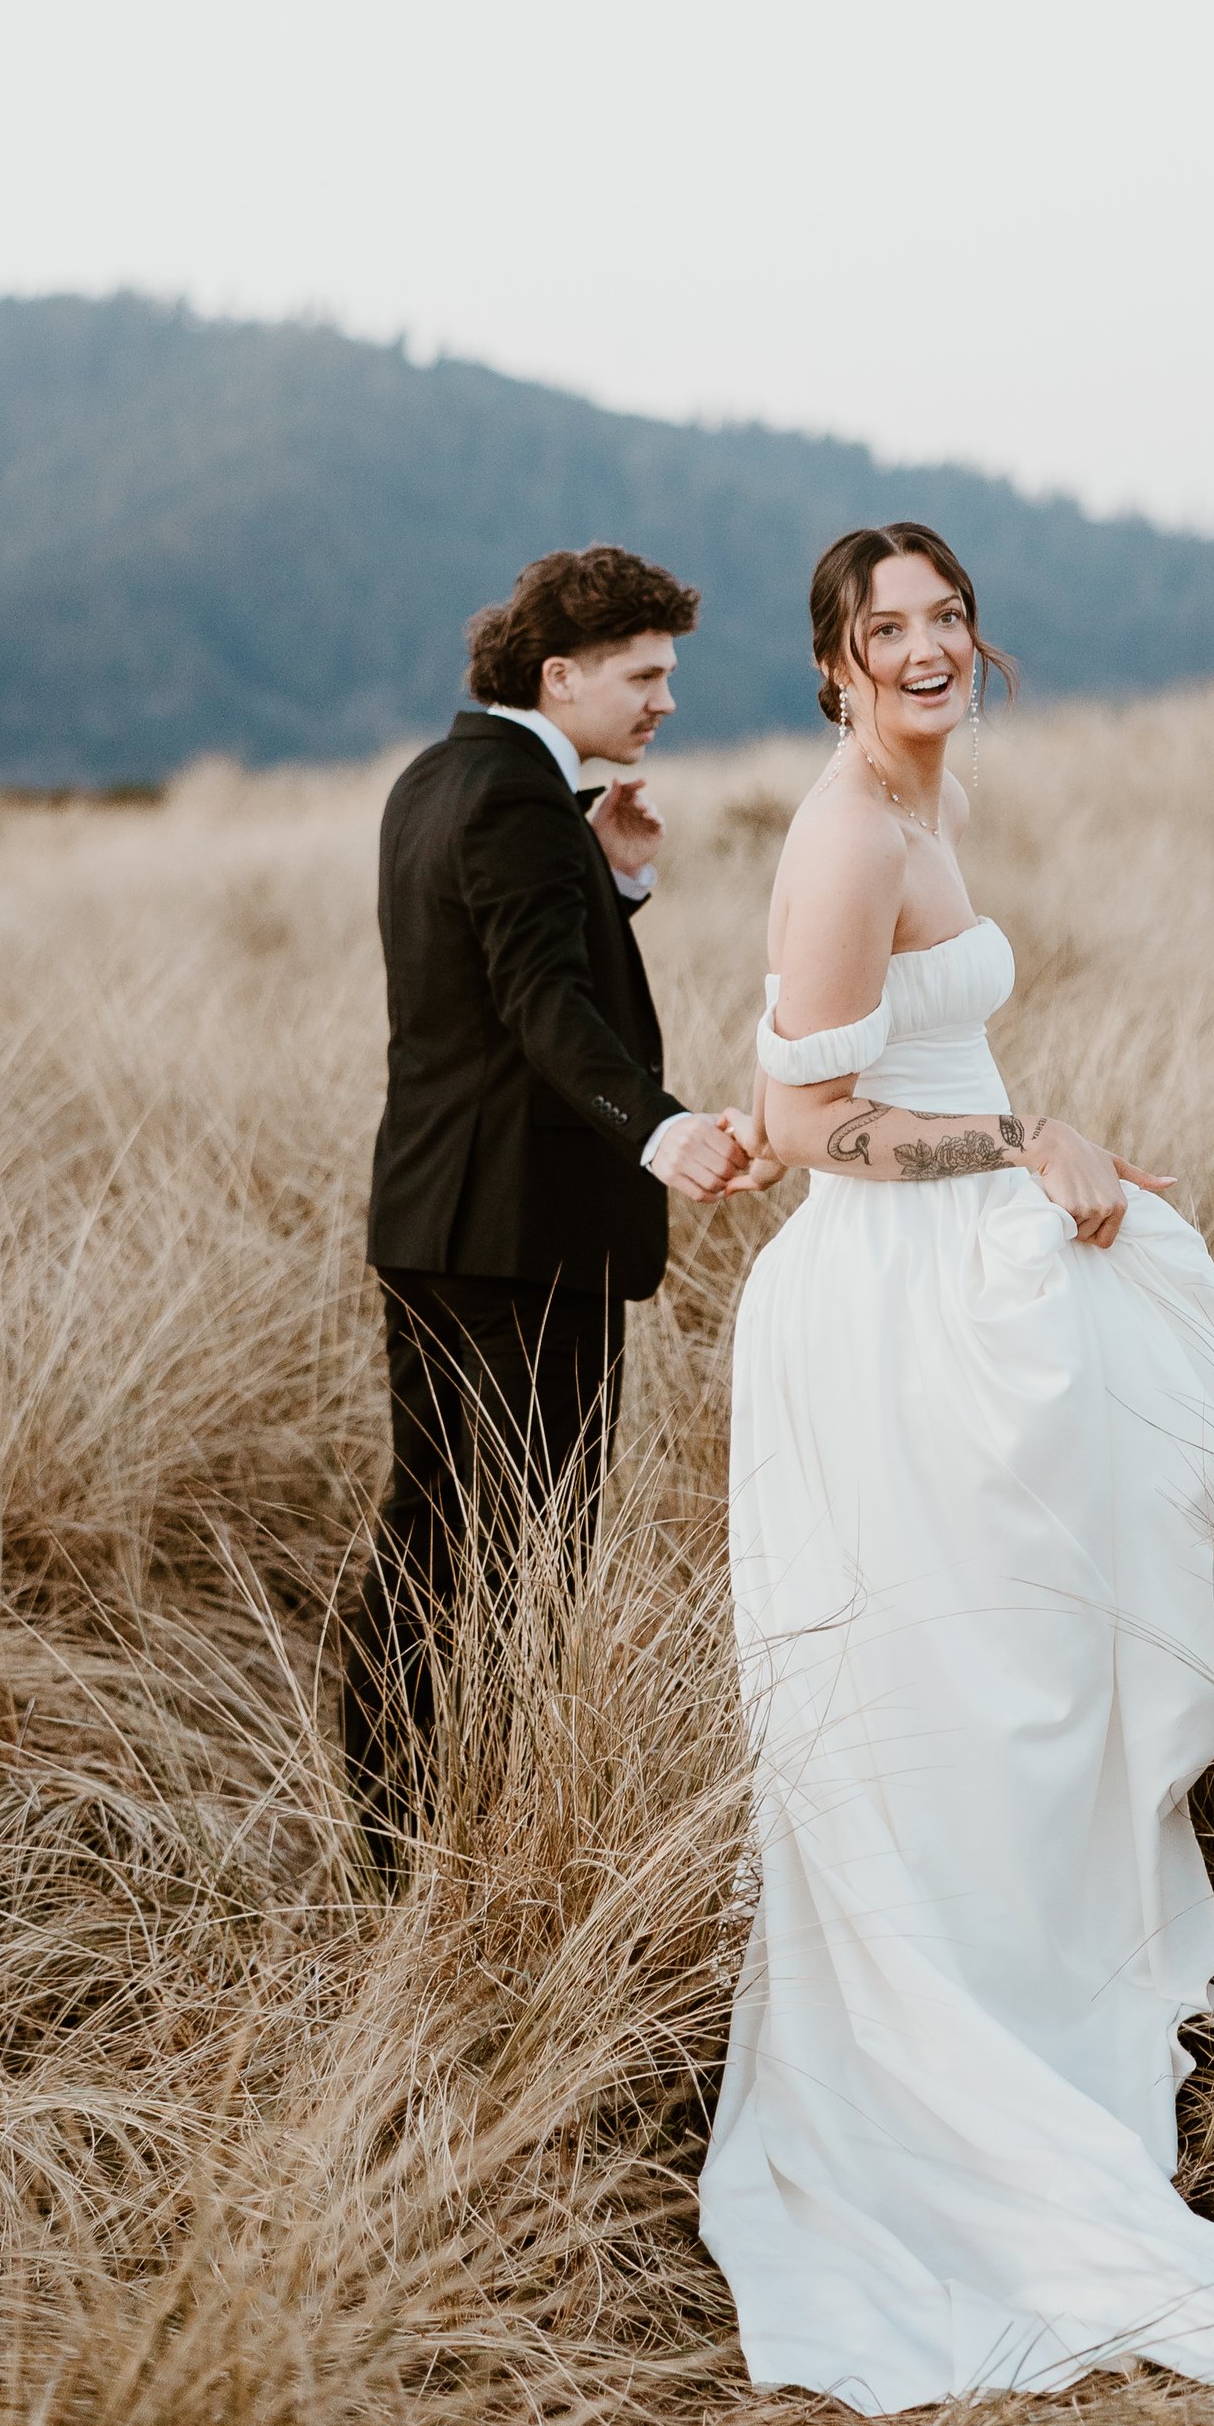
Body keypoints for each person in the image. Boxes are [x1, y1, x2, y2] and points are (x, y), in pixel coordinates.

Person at [696, 522, 1214, 2410]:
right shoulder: (848, 830)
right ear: (835, 665)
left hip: (956, 1290)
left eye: (946, 619)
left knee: (1023, 1673)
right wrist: (1025, 1141)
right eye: (885, 629)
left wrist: (1044, 1143)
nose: (925, 649)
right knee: (951, 1698)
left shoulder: (926, 804)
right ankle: (945, 2084)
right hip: (877, 1320)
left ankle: (1029, 2002)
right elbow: (807, 1123)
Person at [344, 543, 751, 1857]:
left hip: (438, 1222)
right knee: (512, 1554)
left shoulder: (443, 776)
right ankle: (430, 1841)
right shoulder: (518, 800)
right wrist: (663, 1128)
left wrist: (615, 883)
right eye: (644, 673)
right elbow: (540, 1010)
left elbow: (493, 972)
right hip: (523, 1237)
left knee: (437, 1533)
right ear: (560, 672)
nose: (665, 699)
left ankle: (403, 1835)